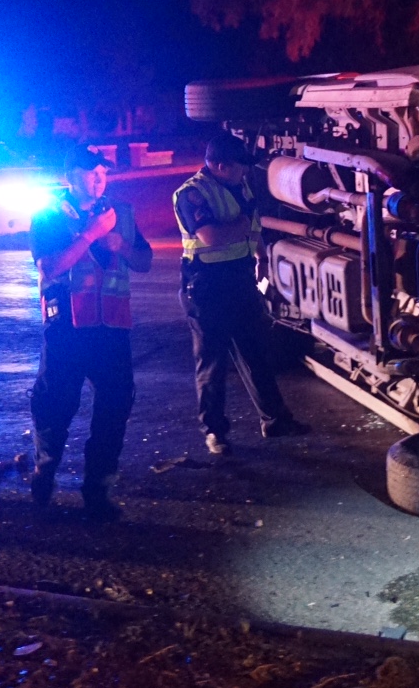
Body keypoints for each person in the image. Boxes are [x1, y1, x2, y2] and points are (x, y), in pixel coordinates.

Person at [28, 146, 153, 521]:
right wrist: (92, 235)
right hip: (66, 327)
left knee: (116, 405)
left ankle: (97, 489)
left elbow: (144, 261)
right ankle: (45, 470)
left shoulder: (121, 214)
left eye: (103, 173)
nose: (99, 180)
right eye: (90, 172)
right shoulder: (48, 216)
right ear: (70, 177)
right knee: (56, 404)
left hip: (111, 327)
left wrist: (121, 244)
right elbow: (50, 266)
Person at [174, 133, 309, 454]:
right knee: (212, 362)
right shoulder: (191, 194)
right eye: (239, 167)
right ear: (219, 165)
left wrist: (260, 254)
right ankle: (215, 432)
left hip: (240, 275)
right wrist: (245, 226)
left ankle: (276, 420)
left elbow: (253, 227)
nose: (245, 172)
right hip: (207, 284)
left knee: (256, 353)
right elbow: (210, 237)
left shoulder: (238, 184)